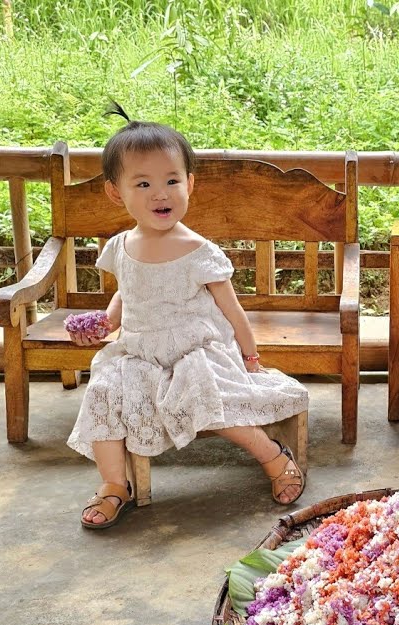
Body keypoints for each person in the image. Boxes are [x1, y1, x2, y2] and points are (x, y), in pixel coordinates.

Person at [68, 104, 310, 530]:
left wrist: (250, 359)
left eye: (171, 181)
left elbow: (232, 310)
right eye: (143, 183)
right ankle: (114, 484)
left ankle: (273, 455)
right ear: (115, 192)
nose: (160, 194)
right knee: (102, 394)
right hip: (139, 352)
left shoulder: (198, 251)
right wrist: (104, 323)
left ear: (190, 184)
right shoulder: (121, 246)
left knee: (205, 398)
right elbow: (128, 292)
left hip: (196, 350)